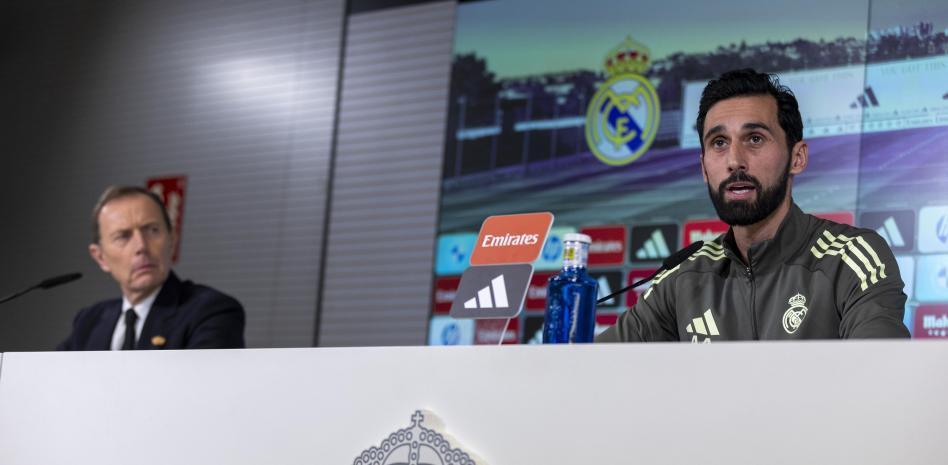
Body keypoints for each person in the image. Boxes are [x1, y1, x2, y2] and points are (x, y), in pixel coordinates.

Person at [597, 69, 909, 342]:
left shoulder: (850, 258)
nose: (734, 160)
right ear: (704, 168)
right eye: (719, 143)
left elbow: (881, 375)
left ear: (797, 157)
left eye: (755, 138)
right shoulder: (682, 278)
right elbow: (591, 368)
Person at [58, 186, 245, 350]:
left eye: (152, 230)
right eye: (123, 236)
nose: (141, 246)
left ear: (172, 239)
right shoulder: (89, 321)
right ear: (100, 258)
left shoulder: (210, 311)